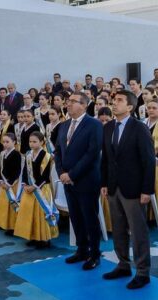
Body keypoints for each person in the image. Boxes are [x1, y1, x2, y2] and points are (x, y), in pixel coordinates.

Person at [101, 90, 155, 289]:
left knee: (139, 231)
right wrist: (104, 183)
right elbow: (106, 158)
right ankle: (123, 264)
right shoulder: (107, 128)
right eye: (113, 101)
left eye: (119, 101)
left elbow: (148, 161)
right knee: (118, 229)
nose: (114, 104)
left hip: (134, 188)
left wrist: (147, 190)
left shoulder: (139, 128)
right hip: (114, 187)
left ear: (130, 107)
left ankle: (143, 272)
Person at [54, 92, 103, 271]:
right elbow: (58, 151)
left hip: (86, 179)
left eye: (73, 102)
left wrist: (72, 174)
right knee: (75, 217)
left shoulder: (94, 125)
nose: (68, 104)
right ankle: (82, 250)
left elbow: (92, 153)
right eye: (68, 101)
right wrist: (61, 172)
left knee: (89, 217)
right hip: (67, 180)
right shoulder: (64, 125)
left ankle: (95, 254)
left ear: (84, 105)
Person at [15, 131, 59, 248]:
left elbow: (45, 176)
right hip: (29, 188)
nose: (32, 144)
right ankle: (33, 236)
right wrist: (24, 184)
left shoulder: (47, 156)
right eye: (30, 141)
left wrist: (34, 186)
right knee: (30, 213)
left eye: (35, 142)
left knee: (41, 214)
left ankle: (44, 239)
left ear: (42, 142)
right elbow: (24, 171)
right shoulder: (28, 155)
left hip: (41, 188)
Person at [0, 133, 23, 233]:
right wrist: (0, 181)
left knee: (12, 205)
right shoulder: (2, 154)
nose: (5, 144)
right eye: (3, 142)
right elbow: (0, 168)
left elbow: (17, 171)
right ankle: (5, 224)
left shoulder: (16, 155)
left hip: (12, 185)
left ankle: (13, 226)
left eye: (8, 142)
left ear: (14, 142)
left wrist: (9, 183)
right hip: (4, 183)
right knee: (4, 205)